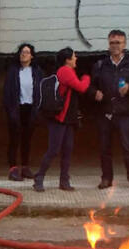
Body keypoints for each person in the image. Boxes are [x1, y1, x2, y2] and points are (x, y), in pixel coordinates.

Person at [89, 29, 129, 190]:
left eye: (118, 43)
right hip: (104, 113)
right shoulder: (100, 65)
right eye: (112, 43)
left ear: (124, 44)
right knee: (104, 148)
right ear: (108, 44)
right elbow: (91, 86)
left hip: (125, 113)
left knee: (128, 148)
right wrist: (95, 93)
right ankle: (106, 178)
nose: (115, 46)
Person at [33, 47, 90, 192]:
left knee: (67, 150)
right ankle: (39, 178)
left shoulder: (67, 71)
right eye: (74, 56)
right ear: (67, 60)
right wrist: (86, 77)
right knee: (53, 150)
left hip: (68, 119)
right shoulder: (65, 71)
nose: (76, 58)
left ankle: (64, 181)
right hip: (59, 118)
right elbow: (81, 87)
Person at [3, 43, 44, 181]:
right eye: (21, 52)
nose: (23, 54)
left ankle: (25, 167)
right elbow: (7, 92)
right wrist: (10, 110)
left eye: (26, 52)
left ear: (32, 56)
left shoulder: (37, 71)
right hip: (17, 108)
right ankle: (13, 169)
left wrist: (38, 109)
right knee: (14, 139)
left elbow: (41, 91)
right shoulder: (13, 71)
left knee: (27, 139)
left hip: (30, 108)